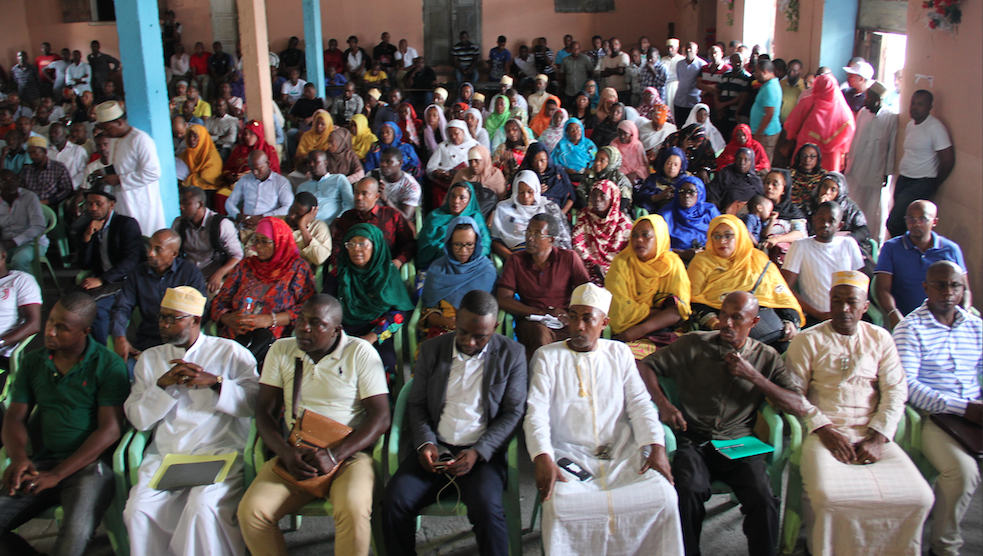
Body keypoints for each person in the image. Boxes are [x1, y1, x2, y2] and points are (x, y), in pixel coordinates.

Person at [639, 290, 806, 556]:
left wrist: (755, 377)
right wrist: (664, 404)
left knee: (763, 497)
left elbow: (798, 405)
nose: (726, 323)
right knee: (687, 490)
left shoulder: (766, 356)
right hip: (693, 438)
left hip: (738, 442)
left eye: (737, 318)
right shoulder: (694, 343)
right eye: (723, 315)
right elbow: (645, 366)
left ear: (753, 322)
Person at [525, 283, 683, 555]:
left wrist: (656, 447)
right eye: (573, 317)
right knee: (560, 505)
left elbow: (640, 404)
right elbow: (535, 412)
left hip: (622, 453)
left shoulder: (619, 353)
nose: (578, 326)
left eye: (588, 319)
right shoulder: (547, 357)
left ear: (604, 323)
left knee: (665, 497)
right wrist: (542, 457)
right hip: (569, 455)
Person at [786, 270, 934, 555]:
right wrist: (823, 429)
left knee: (920, 497)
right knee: (829, 498)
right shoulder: (807, 339)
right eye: (836, 300)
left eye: (852, 302)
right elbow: (794, 394)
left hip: (871, 432)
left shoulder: (880, 338)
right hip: (824, 432)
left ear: (865, 306)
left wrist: (879, 437)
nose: (843, 309)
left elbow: (895, 391)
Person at [237, 294, 390, 556]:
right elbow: (264, 411)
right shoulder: (281, 349)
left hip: (348, 455)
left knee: (353, 508)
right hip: (297, 453)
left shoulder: (360, 353)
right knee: (252, 511)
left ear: (336, 330)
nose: (303, 328)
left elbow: (381, 417)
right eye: (301, 320)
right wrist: (285, 453)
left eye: (316, 323)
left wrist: (334, 455)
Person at [382, 289, 525, 556]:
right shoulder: (432, 350)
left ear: (494, 327)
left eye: (480, 336)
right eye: (463, 332)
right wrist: (426, 442)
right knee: (394, 502)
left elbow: (513, 413)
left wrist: (479, 452)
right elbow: (417, 404)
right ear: (456, 319)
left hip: (481, 454)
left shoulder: (512, 355)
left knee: (488, 509)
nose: (470, 342)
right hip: (437, 448)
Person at [122, 286, 258, 556]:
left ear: (196, 320)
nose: (164, 324)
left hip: (219, 450)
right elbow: (139, 419)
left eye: (173, 318)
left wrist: (217, 383)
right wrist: (162, 386)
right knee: (137, 509)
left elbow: (254, 403)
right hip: (167, 454)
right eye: (162, 318)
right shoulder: (150, 359)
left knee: (202, 508)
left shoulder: (229, 352)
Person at [0, 292, 129, 556]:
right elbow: (14, 416)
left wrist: (58, 474)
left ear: (85, 332)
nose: (51, 332)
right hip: (43, 462)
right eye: (50, 322)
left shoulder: (107, 364)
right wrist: (18, 458)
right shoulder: (34, 361)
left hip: (90, 467)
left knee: (75, 535)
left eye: (62, 328)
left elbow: (110, 430)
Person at [893, 261, 981, 556]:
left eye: (955, 285)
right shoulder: (910, 328)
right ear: (926, 288)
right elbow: (908, 386)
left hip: (976, 413)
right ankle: (944, 547)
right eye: (940, 285)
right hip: (937, 418)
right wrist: (962, 407)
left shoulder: (975, 327)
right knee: (962, 473)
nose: (948, 292)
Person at [688, 214, 803, 338]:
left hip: (766, 327)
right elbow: (695, 300)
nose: (722, 241)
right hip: (722, 328)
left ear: (740, 236)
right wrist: (716, 325)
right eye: (716, 236)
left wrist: (789, 322)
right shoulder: (701, 262)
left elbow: (779, 294)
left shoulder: (758, 259)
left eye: (728, 235)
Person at [324, 224, 414, 375]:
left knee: (384, 366)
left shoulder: (388, 273)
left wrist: (373, 336)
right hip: (342, 333)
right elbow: (325, 308)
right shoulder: (338, 273)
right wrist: (337, 335)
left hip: (377, 333)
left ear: (376, 245)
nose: (356, 249)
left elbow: (398, 313)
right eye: (351, 244)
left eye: (362, 243)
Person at [496, 213, 589, 360]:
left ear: (551, 239)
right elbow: (503, 298)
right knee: (541, 335)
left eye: (537, 234)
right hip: (532, 321)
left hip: (564, 319)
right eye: (528, 232)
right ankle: (543, 379)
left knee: (581, 339)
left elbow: (586, 293)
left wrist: (572, 315)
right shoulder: (516, 261)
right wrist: (540, 312)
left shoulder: (569, 258)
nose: (530, 238)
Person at [110, 229, 206, 368]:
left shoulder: (190, 273)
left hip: (182, 345)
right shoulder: (137, 273)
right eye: (149, 247)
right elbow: (121, 307)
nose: (150, 253)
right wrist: (119, 337)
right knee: (125, 373)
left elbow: (201, 311)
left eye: (158, 249)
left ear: (174, 254)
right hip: (148, 343)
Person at [212, 217, 316, 341]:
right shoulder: (245, 266)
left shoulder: (297, 268)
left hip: (274, 338)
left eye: (264, 241)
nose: (258, 246)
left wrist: (269, 319)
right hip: (235, 335)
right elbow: (219, 301)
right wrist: (228, 319)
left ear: (279, 241)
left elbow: (309, 309)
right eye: (256, 240)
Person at [874, 200, 969, 329]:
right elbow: (883, 289)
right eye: (911, 219)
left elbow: (965, 289)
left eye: (922, 219)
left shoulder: (951, 249)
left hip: (943, 320)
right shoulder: (892, 248)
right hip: (906, 317)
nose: (916, 224)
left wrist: (963, 313)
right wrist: (894, 315)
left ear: (934, 222)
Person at [607, 214, 690, 356]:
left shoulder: (672, 264)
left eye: (646, 235)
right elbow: (619, 311)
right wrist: (661, 314)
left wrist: (641, 329)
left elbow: (678, 312)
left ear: (659, 237)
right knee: (627, 360)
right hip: (627, 331)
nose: (639, 240)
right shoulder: (621, 264)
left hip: (665, 333)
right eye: (634, 235)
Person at [76, 183, 144, 345]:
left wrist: (102, 279)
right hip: (105, 282)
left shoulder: (126, 224)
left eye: (98, 203)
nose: (93, 208)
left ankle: (103, 354)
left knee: (97, 310)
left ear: (111, 204)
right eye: (90, 204)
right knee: (75, 307)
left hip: (127, 281)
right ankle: (86, 350)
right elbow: (84, 264)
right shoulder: (88, 226)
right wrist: (87, 238)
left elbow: (131, 260)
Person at [781, 202, 865, 324]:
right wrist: (817, 314)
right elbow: (786, 287)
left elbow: (859, 286)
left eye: (831, 221)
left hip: (847, 317)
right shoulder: (800, 246)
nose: (825, 224)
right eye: (821, 219)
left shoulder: (848, 244)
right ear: (814, 220)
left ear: (840, 225)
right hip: (815, 317)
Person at [886, 90, 955, 238]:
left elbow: (948, 160)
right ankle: (903, 255)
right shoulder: (911, 125)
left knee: (894, 222)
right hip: (904, 179)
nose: (914, 107)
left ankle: (907, 251)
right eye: (913, 103)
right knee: (905, 222)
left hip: (920, 183)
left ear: (929, 107)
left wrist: (934, 182)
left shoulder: (935, 128)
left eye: (920, 104)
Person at [93, 101, 166, 235]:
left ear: (120, 122)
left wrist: (119, 180)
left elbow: (153, 173)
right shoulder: (115, 139)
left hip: (140, 201)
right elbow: (122, 166)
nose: (106, 133)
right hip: (122, 199)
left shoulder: (140, 140)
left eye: (108, 128)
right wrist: (104, 172)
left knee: (142, 236)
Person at [418, 217, 497, 339]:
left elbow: (491, 312)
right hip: (443, 330)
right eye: (457, 245)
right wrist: (445, 321)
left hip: (478, 334)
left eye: (469, 244)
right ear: (449, 243)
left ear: (477, 243)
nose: (463, 251)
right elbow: (428, 312)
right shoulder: (437, 270)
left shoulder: (486, 271)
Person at [844, 81, 896, 244]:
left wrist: (887, 172)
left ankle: (871, 240)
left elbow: (892, 146)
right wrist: (848, 162)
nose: (865, 100)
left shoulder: (890, 118)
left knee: (873, 209)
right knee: (854, 201)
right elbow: (855, 140)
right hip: (857, 167)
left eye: (869, 97)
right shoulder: (862, 114)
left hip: (876, 170)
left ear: (878, 100)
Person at [331, 177, 416, 268]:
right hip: (353, 271)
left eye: (364, 194)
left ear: (376, 196)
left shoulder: (392, 216)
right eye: (356, 192)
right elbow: (337, 244)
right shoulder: (347, 217)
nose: (359, 197)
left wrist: (398, 261)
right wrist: (337, 264)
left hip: (385, 270)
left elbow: (409, 243)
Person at [173, 186, 243, 295]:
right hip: (188, 276)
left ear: (200, 204)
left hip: (212, 277)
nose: (181, 207)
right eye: (180, 203)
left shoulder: (221, 224)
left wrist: (219, 273)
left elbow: (237, 256)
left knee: (211, 299)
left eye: (186, 203)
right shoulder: (179, 223)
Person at [489, 171, 571, 259]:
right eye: (521, 192)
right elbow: (495, 240)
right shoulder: (503, 208)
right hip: (516, 256)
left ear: (536, 190)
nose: (525, 196)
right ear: (515, 191)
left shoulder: (549, 207)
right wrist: (512, 258)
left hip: (546, 256)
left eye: (530, 192)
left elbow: (561, 238)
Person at [782, 73, 855, 173]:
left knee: (802, 176)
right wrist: (841, 152)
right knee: (826, 181)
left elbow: (793, 123)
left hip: (805, 149)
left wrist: (791, 137)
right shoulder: (843, 110)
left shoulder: (807, 102)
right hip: (831, 154)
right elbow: (848, 132)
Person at [571, 179, 632, 285]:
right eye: (594, 195)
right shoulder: (585, 216)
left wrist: (614, 270)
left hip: (617, 271)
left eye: (603, 195)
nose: (597, 200)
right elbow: (577, 244)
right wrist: (593, 264)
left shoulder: (623, 223)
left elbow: (629, 253)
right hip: (588, 268)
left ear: (613, 198)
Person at [417, 182, 490, 269]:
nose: (456, 201)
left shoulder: (476, 218)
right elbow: (425, 246)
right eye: (452, 196)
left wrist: (469, 255)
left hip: (471, 264)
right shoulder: (434, 216)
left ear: (470, 200)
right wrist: (451, 252)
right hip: (439, 264)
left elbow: (485, 243)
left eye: (462, 198)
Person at [800, 172, 871, 257]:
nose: (827, 192)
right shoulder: (810, 204)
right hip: (816, 247)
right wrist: (820, 209)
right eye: (825, 186)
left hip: (843, 248)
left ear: (840, 192)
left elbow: (863, 230)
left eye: (833, 189)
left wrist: (844, 240)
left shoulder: (849, 207)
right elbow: (806, 230)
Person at [658, 174, 720, 259]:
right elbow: (657, 245)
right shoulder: (666, 214)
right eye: (682, 191)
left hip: (710, 256)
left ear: (700, 193)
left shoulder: (709, 210)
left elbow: (722, 235)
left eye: (691, 191)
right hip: (675, 259)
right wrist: (682, 254)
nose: (686, 195)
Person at [225, 151, 294, 227]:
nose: (254, 172)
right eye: (251, 169)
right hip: (245, 224)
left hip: (269, 224)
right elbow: (230, 202)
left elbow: (288, 207)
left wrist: (263, 217)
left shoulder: (281, 182)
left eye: (258, 169)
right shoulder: (245, 179)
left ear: (267, 164)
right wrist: (237, 215)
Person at [757, 168, 808, 264]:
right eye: (767, 183)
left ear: (784, 189)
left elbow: (800, 233)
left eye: (775, 184)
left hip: (783, 258)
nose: (769, 187)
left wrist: (777, 239)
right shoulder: (756, 204)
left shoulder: (792, 210)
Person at [0, 171, 47, 272]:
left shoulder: (29, 197)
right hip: (5, 243)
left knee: (19, 260)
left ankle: (24, 287)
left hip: (32, 242)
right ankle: (5, 287)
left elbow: (39, 226)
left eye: (13, 179)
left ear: (18, 181)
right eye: (4, 181)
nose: (10, 183)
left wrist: (15, 241)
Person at [426, 120, 478, 209]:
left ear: (463, 131)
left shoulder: (473, 145)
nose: (453, 137)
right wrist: (440, 174)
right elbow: (430, 167)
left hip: (467, 180)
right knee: (437, 192)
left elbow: (479, 166)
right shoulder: (443, 146)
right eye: (450, 135)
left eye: (456, 133)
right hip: (446, 182)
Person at [296, 150, 354, 226]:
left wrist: (338, 219)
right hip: (309, 225)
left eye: (315, 161)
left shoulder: (338, 179)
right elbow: (297, 209)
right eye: (309, 162)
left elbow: (350, 204)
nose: (311, 164)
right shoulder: (302, 187)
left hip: (334, 224)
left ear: (325, 163)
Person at [371, 147, 423, 223]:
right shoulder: (372, 176)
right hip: (372, 219)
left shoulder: (411, 186)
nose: (383, 164)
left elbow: (405, 218)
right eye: (381, 161)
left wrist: (385, 200)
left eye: (389, 161)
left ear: (400, 163)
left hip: (395, 224)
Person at [706, 147, 763, 212]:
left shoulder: (755, 180)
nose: (742, 162)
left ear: (751, 162)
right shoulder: (726, 173)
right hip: (726, 212)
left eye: (746, 160)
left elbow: (761, 199)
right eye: (739, 159)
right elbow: (712, 191)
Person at [20, 136, 73, 206]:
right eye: (30, 153)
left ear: (45, 152)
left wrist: (48, 201)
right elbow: (20, 190)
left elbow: (67, 190)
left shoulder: (58, 168)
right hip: (30, 206)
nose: (32, 156)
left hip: (51, 206)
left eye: (35, 152)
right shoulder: (27, 170)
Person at [283, 192, 332, 266]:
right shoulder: (276, 222)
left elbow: (320, 259)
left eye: (298, 215)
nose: (292, 216)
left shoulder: (319, 227)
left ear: (310, 215)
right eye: (291, 210)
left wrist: (302, 227)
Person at [749, 59, 782, 162]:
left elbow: (769, 114)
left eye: (757, 71)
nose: (755, 74)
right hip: (764, 132)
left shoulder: (770, 88)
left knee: (762, 162)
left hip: (766, 133)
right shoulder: (768, 85)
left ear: (765, 72)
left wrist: (758, 133)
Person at [179, 123, 223, 190]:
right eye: (189, 136)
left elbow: (208, 177)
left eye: (195, 136)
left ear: (202, 138)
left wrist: (188, 180)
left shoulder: (212, 155)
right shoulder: (184, 154)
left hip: (207, 188)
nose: (191, 139)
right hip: (188, 187)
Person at [551, 118, 597, 183]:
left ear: (581, 129)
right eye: (572, 129)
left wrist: (589, 169)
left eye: (578, 128)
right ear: (567, 132)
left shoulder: (589, 144)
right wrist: (565, 170)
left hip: (586, 175)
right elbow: (554, 161)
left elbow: (595, 159)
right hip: (566, 176)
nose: (575, 131)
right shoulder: (562, 145)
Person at [672, 42, 707, 126]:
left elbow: (703, 83)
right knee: (680, 126)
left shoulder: (702, 64)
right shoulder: (679, 64)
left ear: (696, 50)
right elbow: (680, 79)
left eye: (691, 48)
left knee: (692, 126)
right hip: (679, 100)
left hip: (694, 101)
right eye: (687, 48)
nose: (688, 50)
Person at [490, 119, 531, 186]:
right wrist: (501, 161)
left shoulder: (528, 147)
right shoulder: (502, 148)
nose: (511, 132)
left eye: (514, 129)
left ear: (520, 130)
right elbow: (493, 169)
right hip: (506, 183)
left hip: (526, 181)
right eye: (508, 131)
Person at [47, 123, 88, 190]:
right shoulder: (48, 152)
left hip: (71, 190)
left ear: (64, 133)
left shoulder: (77, 150)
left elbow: (83, 172)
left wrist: (69, 185)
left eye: (56, 132)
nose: (52, 135)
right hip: (51, 190)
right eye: (50, 133)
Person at [661, 39, 685, 110]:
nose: (670, 49)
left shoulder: (682, 59)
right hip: (664, 86)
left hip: (676, 86)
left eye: (672, 47)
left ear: (677, 48)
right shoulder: (663, 59)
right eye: (668, 47)